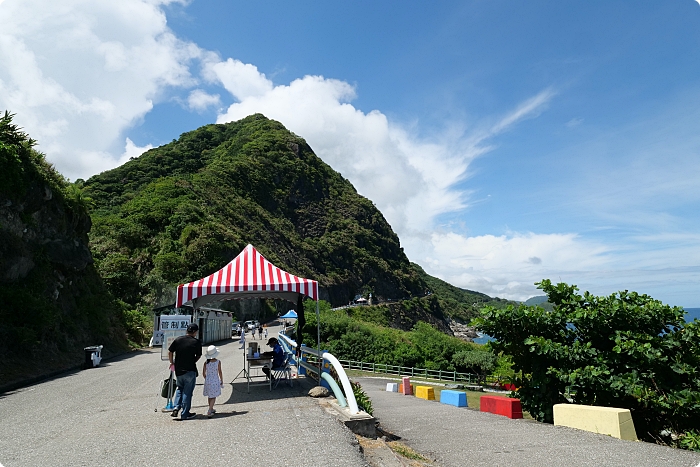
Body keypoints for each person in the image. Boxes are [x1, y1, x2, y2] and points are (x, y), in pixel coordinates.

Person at [168, 323, 202, 420]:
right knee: (187, 392)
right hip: (190, 370)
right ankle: (185, 413)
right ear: (195, 332)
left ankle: (176, 407)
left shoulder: (178, 340)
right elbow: (198, 355)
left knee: (179, 388)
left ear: (187, 330)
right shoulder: (196, 342)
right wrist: (193, 361)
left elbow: (170, 351)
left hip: (178, 370)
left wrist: (171, 362)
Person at [202, 345, 224, 418]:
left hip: (208, 380)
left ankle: (211, 408)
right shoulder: (218, 362)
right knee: (213, 396)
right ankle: (210, 409)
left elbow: (203, 373)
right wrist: (221, 380)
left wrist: (206, 378)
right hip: (215, 380)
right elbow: (220, 371)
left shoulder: (206, 362)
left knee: (210, 396)